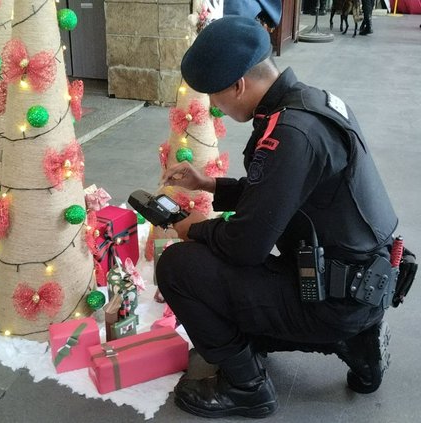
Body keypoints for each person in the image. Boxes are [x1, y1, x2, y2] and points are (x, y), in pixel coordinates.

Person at [156, 16, 399, 419]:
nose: (214, 107)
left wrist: (188, 227)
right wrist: (208, 183)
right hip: (355, 284)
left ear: (237, 86)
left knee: (180, 267)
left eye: (215, 97)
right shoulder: (312, 104)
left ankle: (245, 387)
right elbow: (278, 194)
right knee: (221, 267)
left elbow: (246, 245)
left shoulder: (290, 133)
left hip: (329, 300)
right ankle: (354, 339)